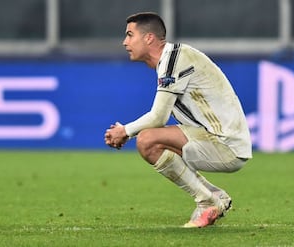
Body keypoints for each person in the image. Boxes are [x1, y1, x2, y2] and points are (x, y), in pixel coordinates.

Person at [104, 12, 252, 228]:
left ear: (149, 38)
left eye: (129, 35)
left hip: (224, 144)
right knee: (152, 140)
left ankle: (206, 201)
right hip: (220, 139)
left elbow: (158, 117)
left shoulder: (173, 60)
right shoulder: (173, 58)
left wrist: (125, 131)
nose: (124, 42)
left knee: (147, 140)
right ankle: (214, 196)